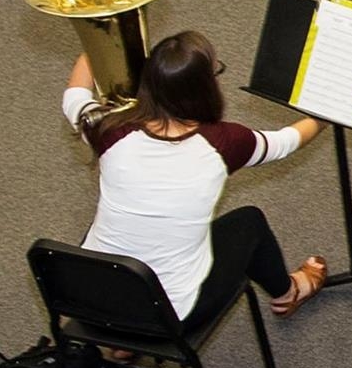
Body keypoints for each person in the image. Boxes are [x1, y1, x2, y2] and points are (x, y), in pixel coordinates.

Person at [60, 32, 327, 323]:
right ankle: (289, 294)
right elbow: (288, 141)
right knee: (250, 222)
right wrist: (327, 116)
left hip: (89, 303)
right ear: (205, 88)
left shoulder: (108, 128)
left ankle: (120, 347)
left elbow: (74, 95)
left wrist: (102, 42)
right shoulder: (225, 142)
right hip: (165, 318)